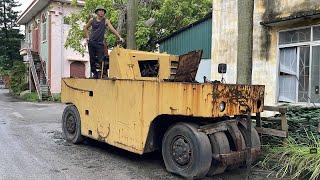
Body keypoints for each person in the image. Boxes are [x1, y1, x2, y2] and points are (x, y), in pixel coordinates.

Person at [84, 6, 124, 78]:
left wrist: (119, 37)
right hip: (92, 42)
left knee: (101, 59)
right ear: (97, 12)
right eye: (100, 11)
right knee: (92, 59)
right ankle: (95, 74)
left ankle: (104, 73)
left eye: (103, 11)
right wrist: (87, 37)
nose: (102, 12)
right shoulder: (92, 20)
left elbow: (112, 29)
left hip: (100, 43)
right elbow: (85, 28)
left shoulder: (105, 20)